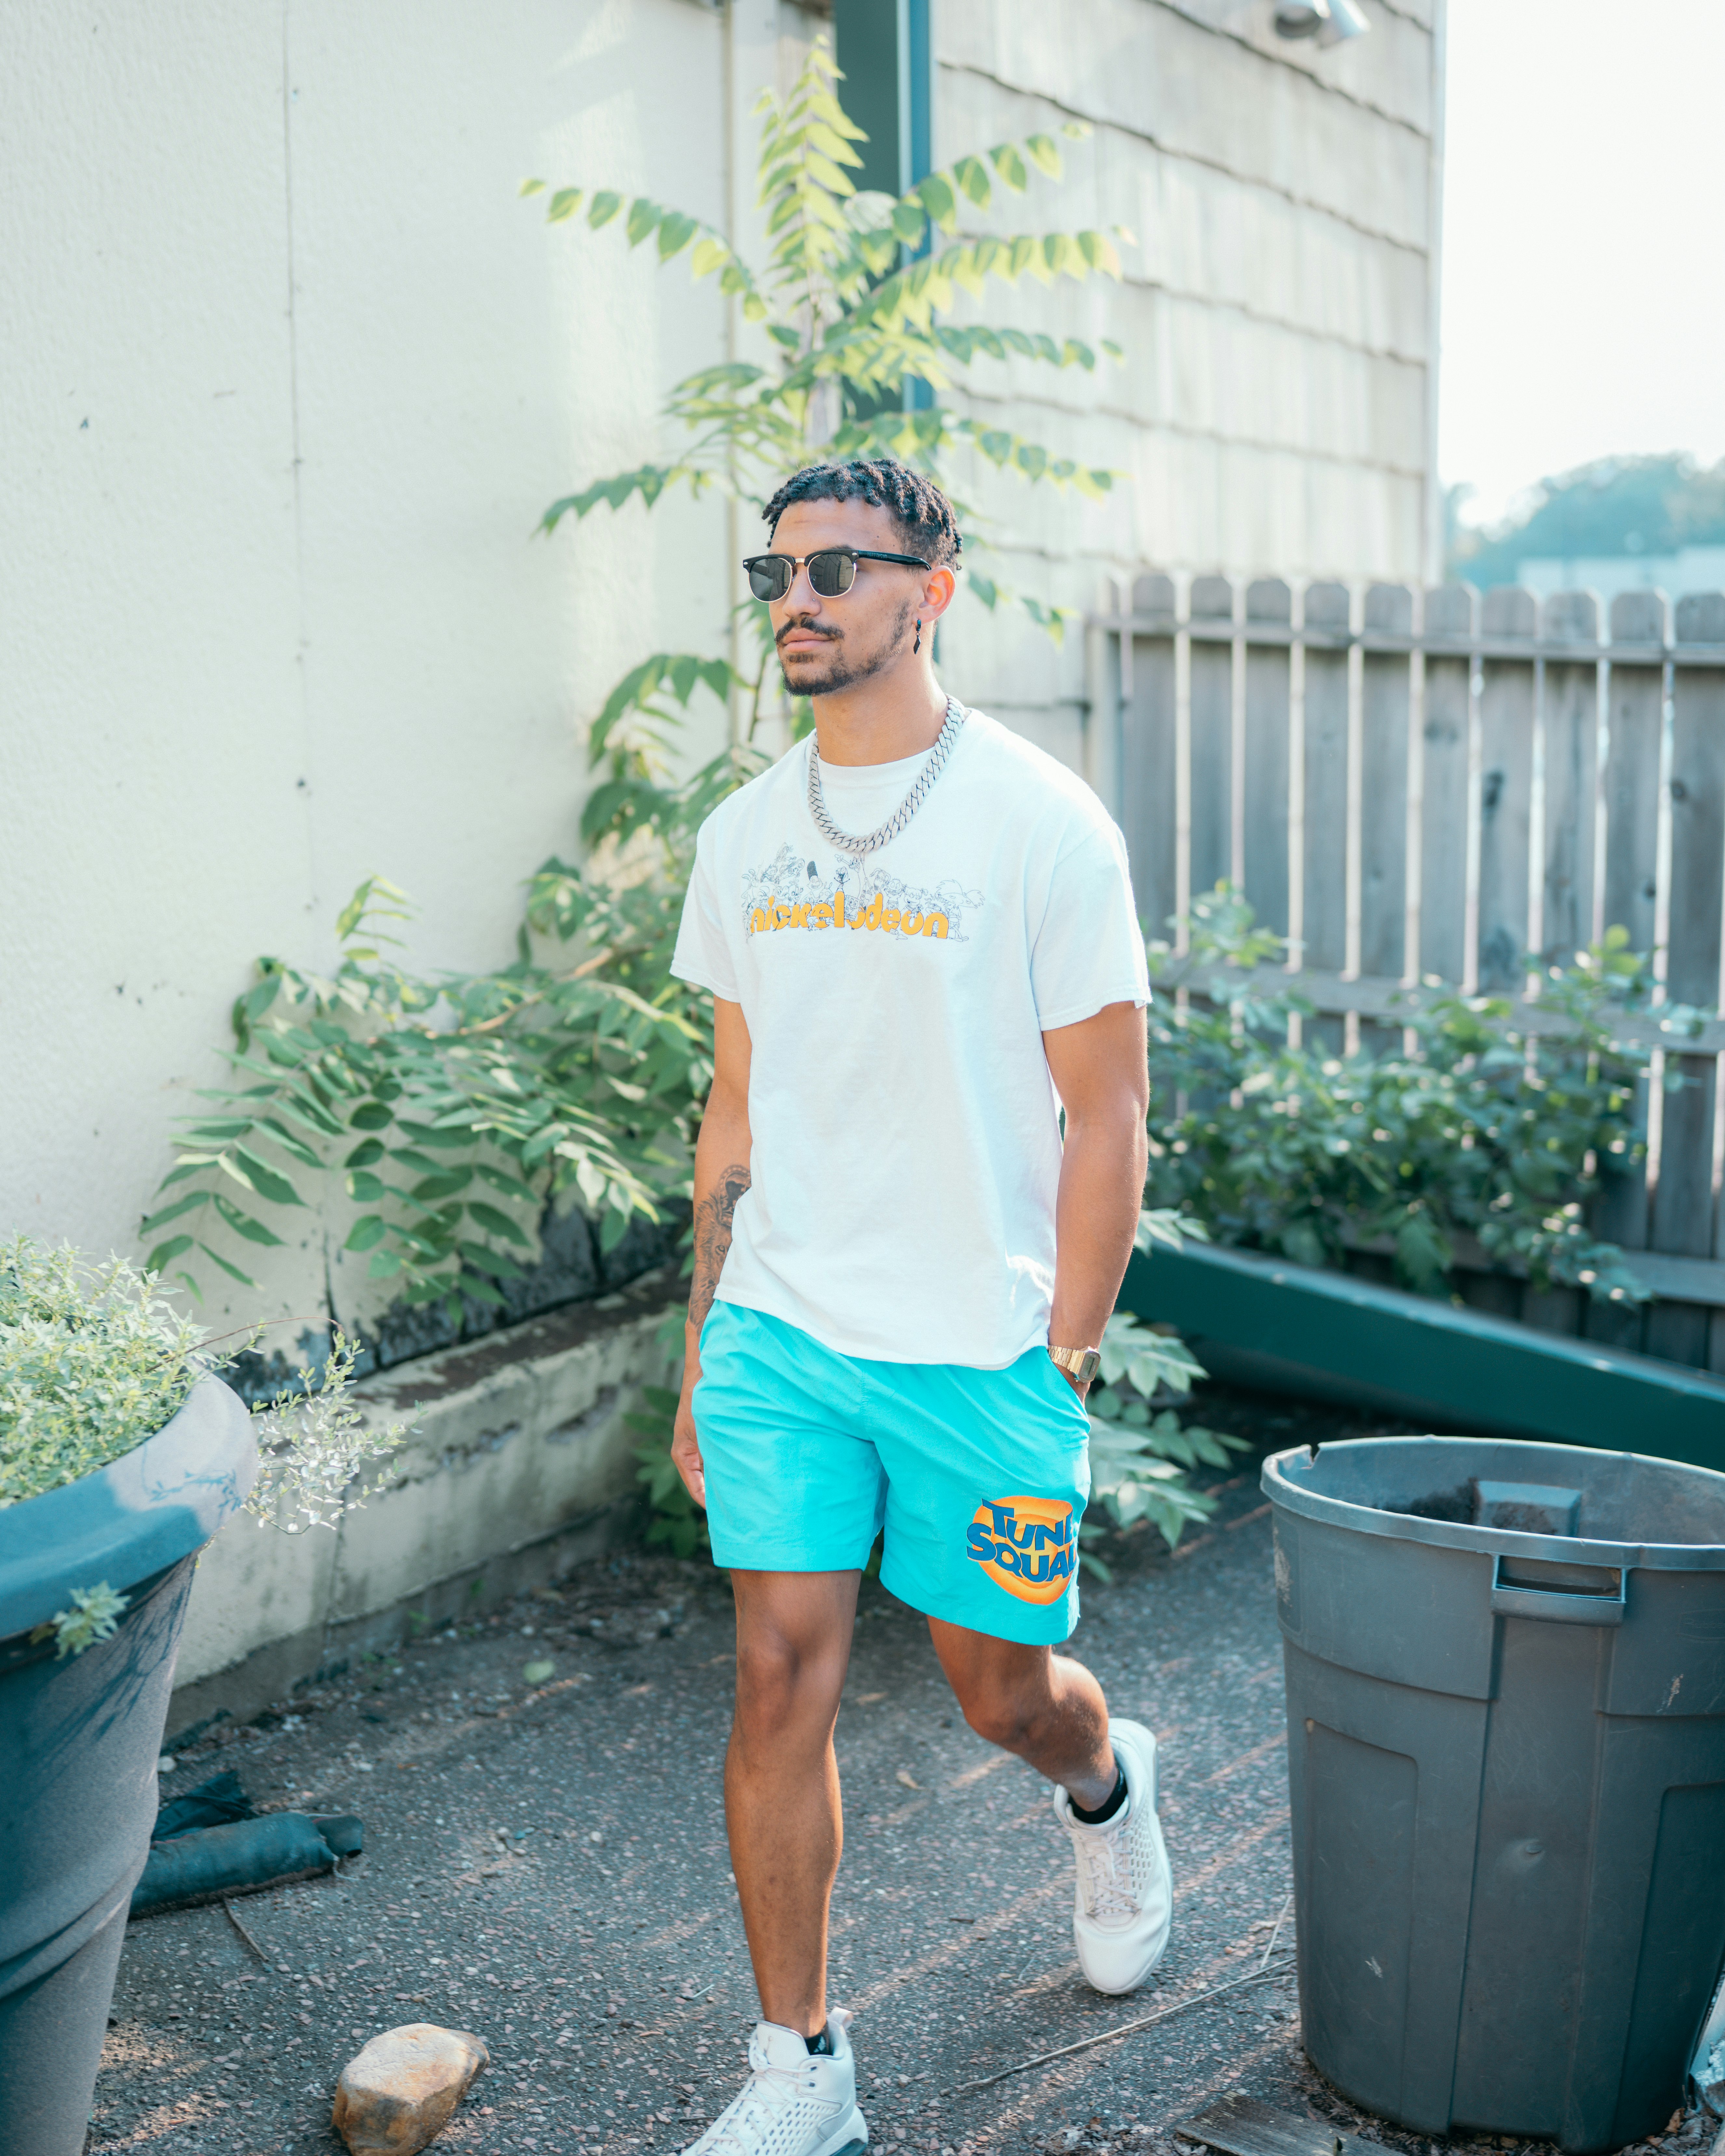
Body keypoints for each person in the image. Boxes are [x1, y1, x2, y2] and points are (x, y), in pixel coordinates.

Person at [669, 456, 1166, 2156]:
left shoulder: (1037, 822)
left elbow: (1105, 1110)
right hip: (784, 1330)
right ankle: (801, 2065)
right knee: (771, 1675)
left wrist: (1068, 1350)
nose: (794, 599)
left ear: (928, 591)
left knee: (998, 1694)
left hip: (979, 1345)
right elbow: (728, 1121)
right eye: (776, 570)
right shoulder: (743, 839)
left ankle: (1108, 1787)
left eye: (834, 568)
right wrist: (697, 1350)